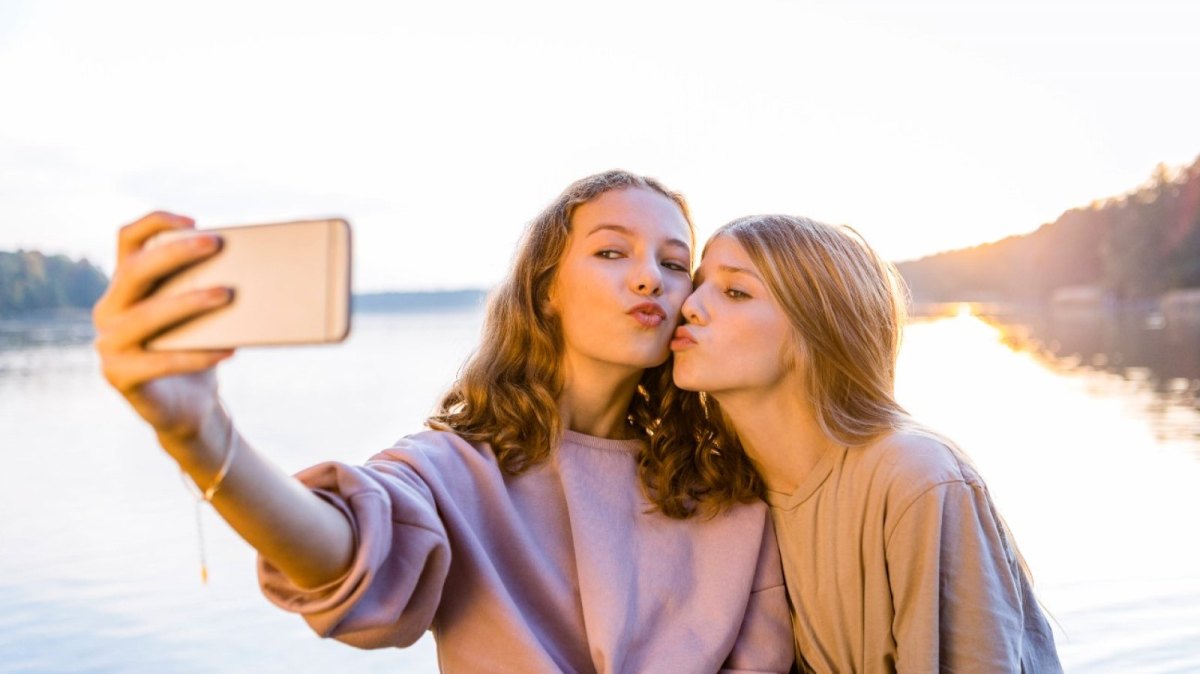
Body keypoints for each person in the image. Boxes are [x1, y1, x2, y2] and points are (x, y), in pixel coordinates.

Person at [91, 171, 794, 673]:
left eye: (675, 264)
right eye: (613, 252)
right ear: (545, 290)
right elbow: (346, 550)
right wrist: (199, 433)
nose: (650, 278)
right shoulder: (458, 471)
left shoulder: (725, 491)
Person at [667, 214, 1062, 673]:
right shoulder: (720, 492)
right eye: (696, 284)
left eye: (736, 292)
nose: (690, 305)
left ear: (813, 333)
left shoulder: (917, 480)